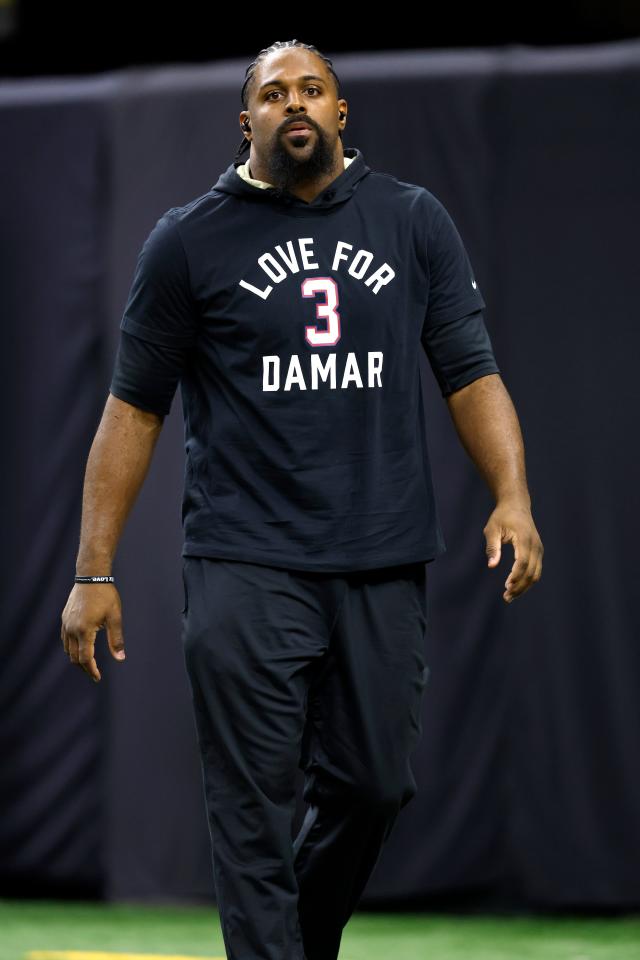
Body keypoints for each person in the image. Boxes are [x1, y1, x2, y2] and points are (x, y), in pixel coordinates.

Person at [61, 38, 543, 960]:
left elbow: (471, 373)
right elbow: (132, 413)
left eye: (312, 89)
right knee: (252, 805)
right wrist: (94, 568)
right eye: (275, 92)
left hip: (381, 552)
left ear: (340, 112)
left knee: (374, 787)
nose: (296, 104)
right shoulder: (189, 240)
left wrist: (512, 496)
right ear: (247, 121)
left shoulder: (411, 219)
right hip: (244, 557)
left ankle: (293, 946)